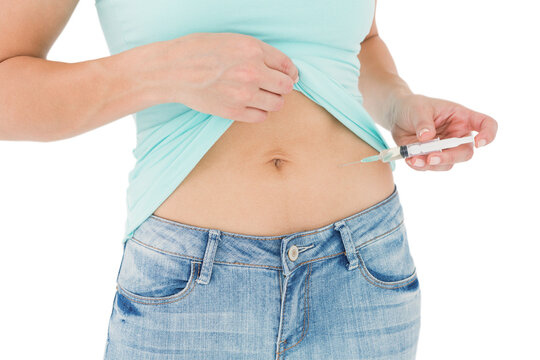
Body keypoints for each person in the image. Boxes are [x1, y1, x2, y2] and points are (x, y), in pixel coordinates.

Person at [0, 0, 497, 359]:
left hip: (364, 268)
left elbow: (358, 43)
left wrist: (399, 105)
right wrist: (164, 70)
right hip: (192, 285)